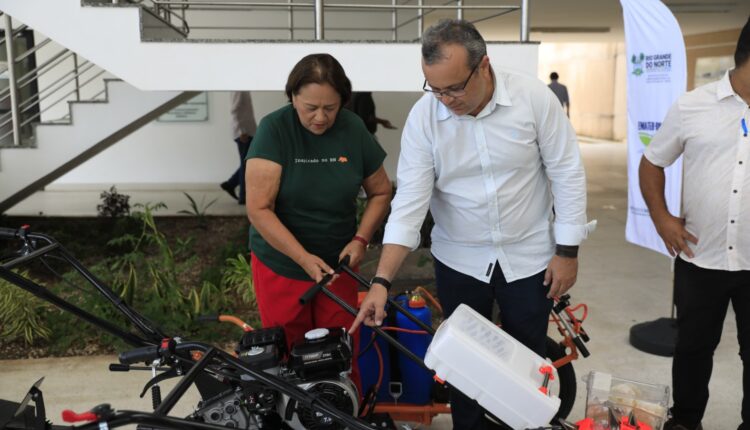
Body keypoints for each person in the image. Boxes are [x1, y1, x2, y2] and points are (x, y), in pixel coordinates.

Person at [351, 19, 594, 429]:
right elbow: (409, 204)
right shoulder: (425, 118)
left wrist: (567, 252)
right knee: (464, 364)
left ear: (484, 66)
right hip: (460, 259)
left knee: (527, 362)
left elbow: (567, 172)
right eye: (435, 89)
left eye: (454, 88)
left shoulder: (533, 98)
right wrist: (381, 281)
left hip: (529, 256)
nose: (445, 100)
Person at [244, 53, 392, 391]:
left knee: (340, 349)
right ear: (292, 97)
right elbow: (259, 209)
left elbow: (381, 192)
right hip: (281, 264)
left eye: (330, 107)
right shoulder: (274, 130)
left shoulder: (353, 129)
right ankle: (294, 413)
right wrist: (303, 258)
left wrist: (360, 239)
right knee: (287, 353)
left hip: (338, 265)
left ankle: (344, 410)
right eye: (310, 107)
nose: (321, 117)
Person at [639, 16, 750, 430]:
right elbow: (652, 162)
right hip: (700, 255)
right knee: (692, 349)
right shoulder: (692, 106)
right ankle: (686, 421)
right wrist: (661, 218)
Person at [221, 91, 257, 205]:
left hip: (249, 131)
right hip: (244, 133)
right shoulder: (238, 89)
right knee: (247, 164)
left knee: (248, 163)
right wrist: (242, 131)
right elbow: (234, 110)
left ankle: (231, 184)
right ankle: (243, 196)